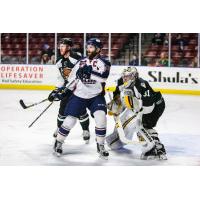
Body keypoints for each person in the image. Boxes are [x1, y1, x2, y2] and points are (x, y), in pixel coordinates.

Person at [53, 38, 111, 158]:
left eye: (91, 47)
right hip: (79, 95)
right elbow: (72, 80)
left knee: (101, 118)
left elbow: (103, 77)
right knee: (70, 120)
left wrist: (89, 73)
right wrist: (63, 92)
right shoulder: (80, 61)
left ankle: (100, 145)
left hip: (96, 96)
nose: (88, 49)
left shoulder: (104, 62)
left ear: (98, 49)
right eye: (88, 47)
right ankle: (58, 142)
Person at [107, 66, 167, 160]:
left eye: (128, 76)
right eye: (124, 76)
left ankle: (155, 148)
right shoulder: (121, 82)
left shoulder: (141, 84)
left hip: (155, 106)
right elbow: (118, 98)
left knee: (142, 125)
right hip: (138, 105)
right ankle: (118, 140)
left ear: (134, 76)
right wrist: (115, 106)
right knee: (114, 141)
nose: (125, 78)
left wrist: (137, 112)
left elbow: (148, 107)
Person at [48, 38, 90, 143]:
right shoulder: (59, 61)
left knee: (81, 112)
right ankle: (59, 128)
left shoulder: (77, 58)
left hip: (79, 89)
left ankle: (85, 130)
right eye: (60, 46)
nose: (60, 48)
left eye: (63, 46)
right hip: (67, 89)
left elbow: (87, 71)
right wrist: (56, 91)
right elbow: (60, 78)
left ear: (69, 47)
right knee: (62, 110)